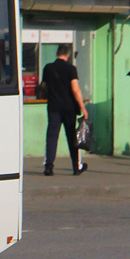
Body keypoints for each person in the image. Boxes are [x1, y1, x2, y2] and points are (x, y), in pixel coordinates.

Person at [42, 43, 89, 176]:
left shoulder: (48, 68)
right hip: (69, 108)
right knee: (72, 137)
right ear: (68, 55)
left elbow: (43, 86)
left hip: (53, 107)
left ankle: (49, 166)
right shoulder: (71, 69)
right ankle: (76, 167)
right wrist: (83, 107)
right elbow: (75, 89)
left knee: (51, 136)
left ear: (57, 54)